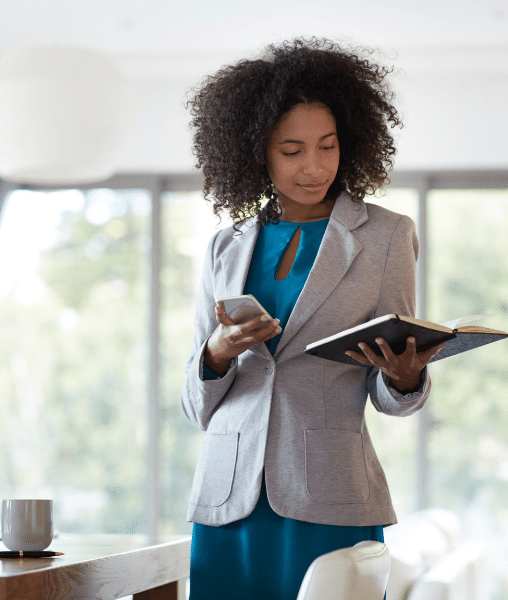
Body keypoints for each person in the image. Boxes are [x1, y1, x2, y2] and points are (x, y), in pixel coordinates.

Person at [180, 38, 444, 600]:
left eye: (327, 147)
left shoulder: (386, 235)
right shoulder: (224, 246)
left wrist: (404, 376)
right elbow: (194, 405)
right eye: (292, 150)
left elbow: (393, 394)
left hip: (330, 491)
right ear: (257, 153)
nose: (315, 167)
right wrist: (217, 354)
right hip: (228, 496)